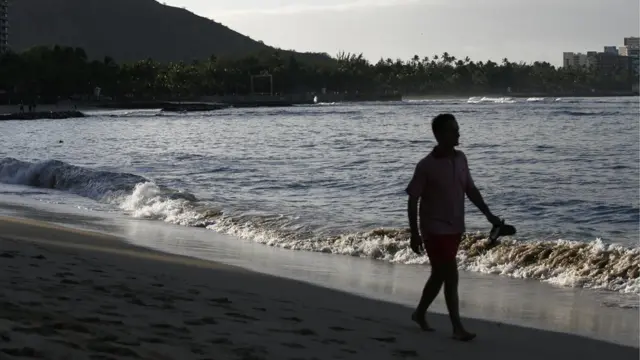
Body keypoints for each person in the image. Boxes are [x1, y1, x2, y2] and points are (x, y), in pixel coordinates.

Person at [405, 113, 501, 342]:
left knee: (439, 275)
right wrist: (415, 234)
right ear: (439, 135)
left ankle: (419, 313)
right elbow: (412, 199)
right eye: (453, 130)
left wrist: (489, 215)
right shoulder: (426, 166)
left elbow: (470, 189)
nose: (458, 133)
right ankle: (457, 327)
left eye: (457, 129)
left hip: (455, 227)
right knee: (451, 275)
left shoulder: (461, 159)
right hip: (433, 229)